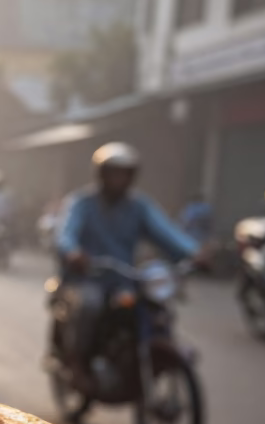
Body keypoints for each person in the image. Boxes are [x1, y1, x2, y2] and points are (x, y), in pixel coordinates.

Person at [56, 143, 200, 391]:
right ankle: (77, 364)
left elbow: (166, 232)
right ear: (101, 174)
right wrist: (73, 252)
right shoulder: (82, 202)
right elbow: (66, 233)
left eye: (124, 174)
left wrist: (194, 253)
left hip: (124, 278)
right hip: (88, 278)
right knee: (89, 305)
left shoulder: (139, 206)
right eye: (113, 173)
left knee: (156, 308)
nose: (118, 179)